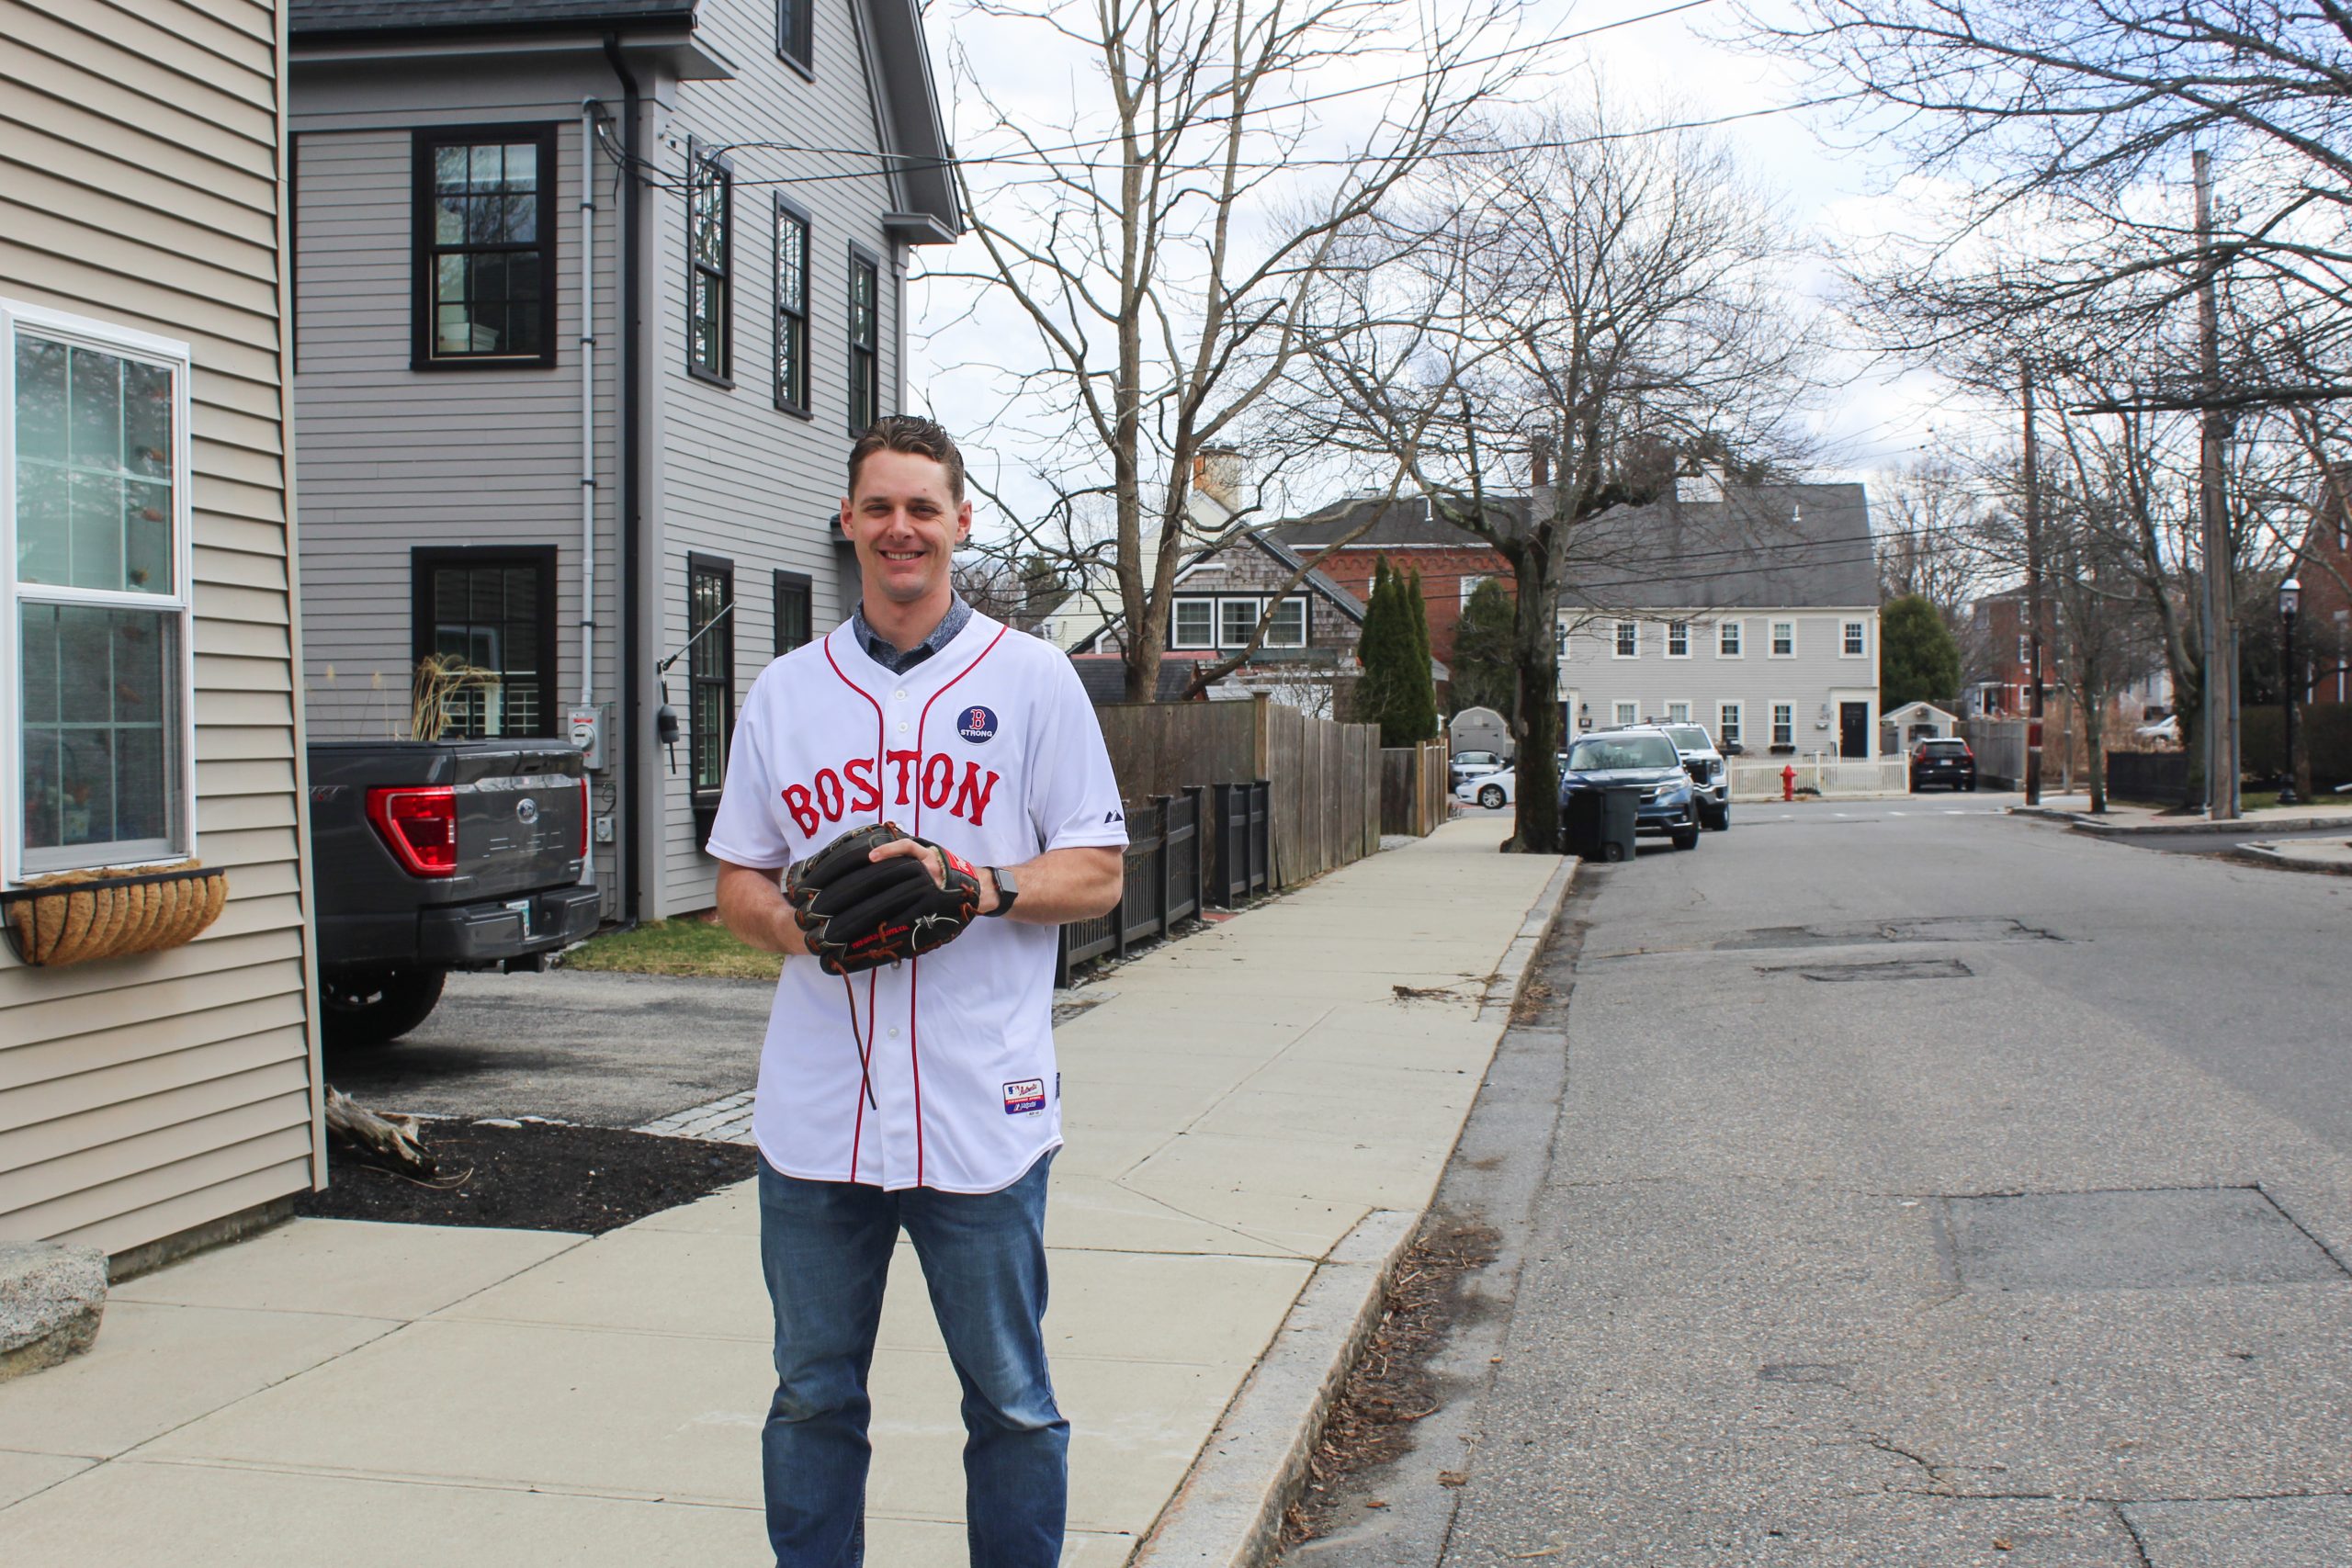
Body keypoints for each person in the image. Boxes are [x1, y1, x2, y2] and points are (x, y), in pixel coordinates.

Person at [707, 415, 1126, 1567]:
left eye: (922, 508)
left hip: (978, 1106)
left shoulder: (1033, 680)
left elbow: (1096, 869)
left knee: (1011, 1402)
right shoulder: (789, 692)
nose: (901, 529)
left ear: (960, 523)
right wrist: (795, 922)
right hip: (817, 1114)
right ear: (848, 522)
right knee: (811, 1399)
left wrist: (979, 885)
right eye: (879, 507)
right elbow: (734, 878)